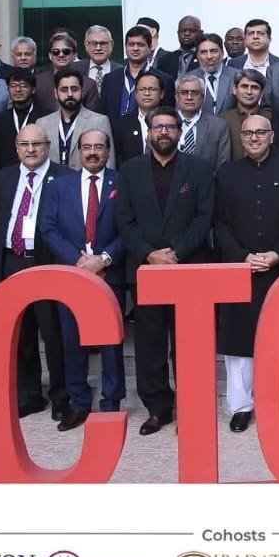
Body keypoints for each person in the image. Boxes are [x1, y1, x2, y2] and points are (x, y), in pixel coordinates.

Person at [115, 106, 216, 436]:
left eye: (170, 127)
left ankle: (189, 407)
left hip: (187, 267)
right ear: (148, 132)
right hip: (146, 270)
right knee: (150, 345)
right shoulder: (130, 170)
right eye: (157, 126)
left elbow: (204, 217)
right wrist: (149, 254)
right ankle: (158, 409)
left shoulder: (199, 169)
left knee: (188, 345)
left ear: (179, 132)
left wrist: (176, 252)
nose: (163, 132)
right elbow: (124, 220)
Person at [213, 114, 279, 432]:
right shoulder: (227, 173)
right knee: (237, 342)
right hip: (239, 267)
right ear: (241, 138)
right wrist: (241, 256)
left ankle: (274, 402)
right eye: (248, 133)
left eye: (260, 133)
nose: (253, 138)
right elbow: (219, 223)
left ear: (271, 136)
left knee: (277, 338)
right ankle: (241, 406)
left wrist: (277, 254)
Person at [39, 128, 128, 431]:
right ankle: (79, 403)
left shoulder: (122, 182)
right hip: (71, 275)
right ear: (78, 152)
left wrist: (103, 259)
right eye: (87, 147)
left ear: (108, 151)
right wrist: (79, 261)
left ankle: (111, 402)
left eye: (99, 147)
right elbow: (48, 227)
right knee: (72, 340)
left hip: (110, 274)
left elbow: (130, 227)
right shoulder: (59, 186)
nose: (93, 152)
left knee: (110, 342)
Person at [0, 124, 75, 420]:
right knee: (22, 333)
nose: (31, 150)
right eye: (24, 144)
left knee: (53, 334)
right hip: (12, 261)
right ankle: (29, 395)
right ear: (16, 148)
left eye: (37, 144)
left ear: (47, 146)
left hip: (47, 262)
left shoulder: (65, 178)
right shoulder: (1, 179)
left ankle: (61, 396)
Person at [36, 66, 114, 171]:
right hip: (52, 180)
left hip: (86, 180)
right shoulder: (42, 123)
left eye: (74, 89)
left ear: (82, 91)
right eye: (64, 90)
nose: (70, 94)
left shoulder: (100, 121)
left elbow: (109, 162)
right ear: (56, 93)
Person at [173, 75, 231, 170]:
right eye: (184, 93)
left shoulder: (218, 126)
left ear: (203, 97)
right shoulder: (164, 123)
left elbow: (223, 165)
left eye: (195, 93)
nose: (189, 97)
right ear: (176, 97)